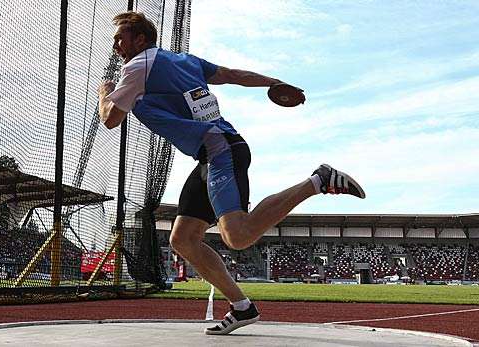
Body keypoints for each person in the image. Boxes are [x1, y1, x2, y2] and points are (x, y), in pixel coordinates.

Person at [98, 11, 365, 335]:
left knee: (236, 235)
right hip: (210, 153)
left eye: (119, 38)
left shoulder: (136, 67)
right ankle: (242, 307)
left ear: (140, 39)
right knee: (182, 238)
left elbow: (110, 119)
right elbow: (231, 74)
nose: (115, 46)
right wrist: (274, 82)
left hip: (219, 150)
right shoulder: (184, 60)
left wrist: (105, 91)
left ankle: (319, 180)